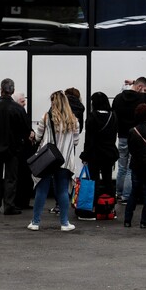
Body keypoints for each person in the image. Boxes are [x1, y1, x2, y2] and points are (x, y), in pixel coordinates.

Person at [28, 91, 80, 232]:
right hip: (64, 160)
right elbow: (75, 141)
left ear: (53, 102)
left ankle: (35, 222)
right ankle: (64, 223)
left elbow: (38, 137)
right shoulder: (74, 120)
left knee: (42, 190)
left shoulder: (46, 117)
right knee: (62, 191)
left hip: (47, 160)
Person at [0, 78, 33, 215]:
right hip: (13, 149)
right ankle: (9, 205)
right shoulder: (18, 109)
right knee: (11, 178)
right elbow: (26, 129)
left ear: (1, 90)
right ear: (12, 91)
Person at [112, 77, 146, 204]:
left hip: (121, 136)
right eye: (144, 89)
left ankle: (119, 193)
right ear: (140, 87)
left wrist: (135, 84)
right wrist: (135, 82)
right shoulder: (141, 98)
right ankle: (126, 196)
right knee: (131, 168)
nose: (145, 92)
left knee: (121, 167)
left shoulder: (118, 98)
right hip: (135, 137)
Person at [79, 92, 119, 213]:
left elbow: (89, 140)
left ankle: (94, 205)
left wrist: (85, 155)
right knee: (108, 180)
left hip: (95, 154)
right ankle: (110, 206)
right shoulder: (113, 116)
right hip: (109, 153)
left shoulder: (92, 117)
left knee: (94, 180)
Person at [48, 87, 85, 215]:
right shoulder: (80, 109)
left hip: (55, 149)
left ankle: (57, 205)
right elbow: (78, 133)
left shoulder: (56, 109)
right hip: (69, 148)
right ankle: (64, 209)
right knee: (65, 179)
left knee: (54, 178)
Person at [11, 91, 35, 210]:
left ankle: (21, 202)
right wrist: (30, 134)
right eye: (22, 101)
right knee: (23, 177)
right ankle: (22, 202)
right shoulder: (19, 113)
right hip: (23, 149)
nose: (25, 103)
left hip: (21, 149)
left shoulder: (18, 111)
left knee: (22, 177)